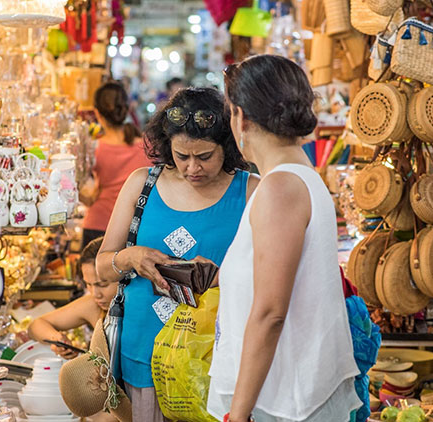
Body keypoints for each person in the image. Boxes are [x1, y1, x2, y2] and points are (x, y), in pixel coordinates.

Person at [207, 54, 361, 422]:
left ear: (241, 117)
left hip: (282, 402)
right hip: (284, 394)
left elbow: (270, 312)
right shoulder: (296, 177)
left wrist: (238, 414)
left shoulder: (280, 187)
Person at [96, 87, 259, 422]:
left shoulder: (252, 191)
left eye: (204, 156)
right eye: (182, 156)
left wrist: (221, 278)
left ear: (227, 147)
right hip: (144, 352)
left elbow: (275, 280)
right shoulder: (142, 184)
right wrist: (132, 258)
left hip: (217, 358)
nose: (192, 168)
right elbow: (102, 266)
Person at [81, 82, 151, 248]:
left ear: (97, 113)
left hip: (98, 224)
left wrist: (87, 197)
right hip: (134, 229)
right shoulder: (148, 147)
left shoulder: (94, 148)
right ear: (127, 109)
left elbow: (78, 188)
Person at [28, 237, 115, 360]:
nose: (96, 294)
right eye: (88, 284)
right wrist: (57, 338)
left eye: (102, 285)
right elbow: (35, 326)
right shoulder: (93, 305)